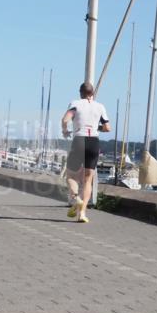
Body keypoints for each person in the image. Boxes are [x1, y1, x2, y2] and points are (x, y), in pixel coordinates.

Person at [60, 81, 110, 223]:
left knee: (70, 175)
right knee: (88, 179)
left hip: (79, 140)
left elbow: (65, 119)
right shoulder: (100, 107)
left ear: (80, 92)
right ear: (92, 93)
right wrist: (95, 127)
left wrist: (65, 131)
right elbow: (107, 127)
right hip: (94, 142)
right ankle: (82, 213)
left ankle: (76, 199)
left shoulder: (76, 104)